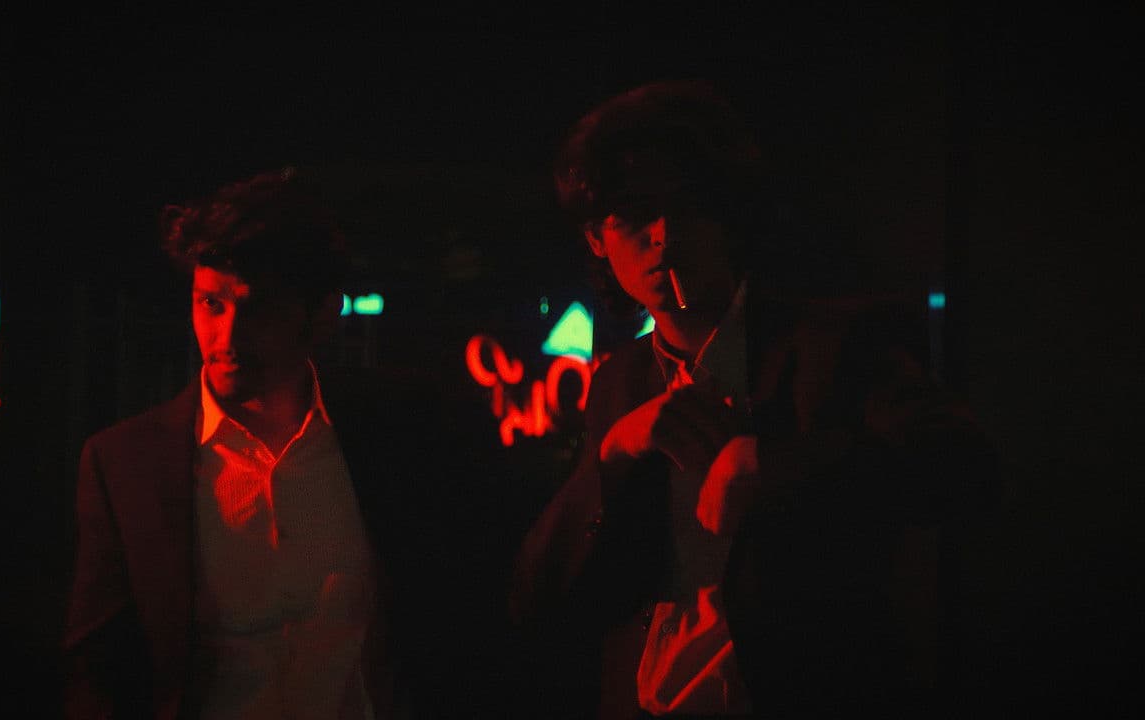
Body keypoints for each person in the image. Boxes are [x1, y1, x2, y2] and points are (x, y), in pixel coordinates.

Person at [509, 80, 996, 718]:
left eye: (686, 206)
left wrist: (772, 464)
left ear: (726, 215)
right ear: (596, 238)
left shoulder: (831, 342)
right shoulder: (620, 380)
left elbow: (966, 468)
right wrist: (615, 452)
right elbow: (538, 597)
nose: (663, 234)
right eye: (633, 212)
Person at [63, 168, 409, 719]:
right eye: (211, 304)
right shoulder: (124, 465)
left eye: (258, 308)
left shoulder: (391, 441)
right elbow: (98, 672)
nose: (226, 338)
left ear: (323, 314)